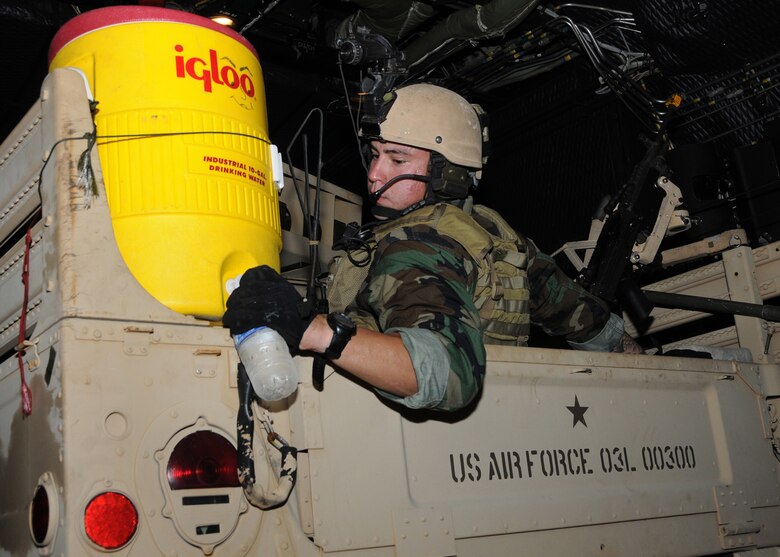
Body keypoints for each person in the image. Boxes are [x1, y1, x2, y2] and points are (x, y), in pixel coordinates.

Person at [224, 83, 641, 412]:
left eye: (397, 159)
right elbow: (582, 318)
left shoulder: (414, 246)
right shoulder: (494, 234)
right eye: (374, 155)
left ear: (447, 172)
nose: (374, 173)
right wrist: (634, 352)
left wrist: (313, 331)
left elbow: (450, 374)